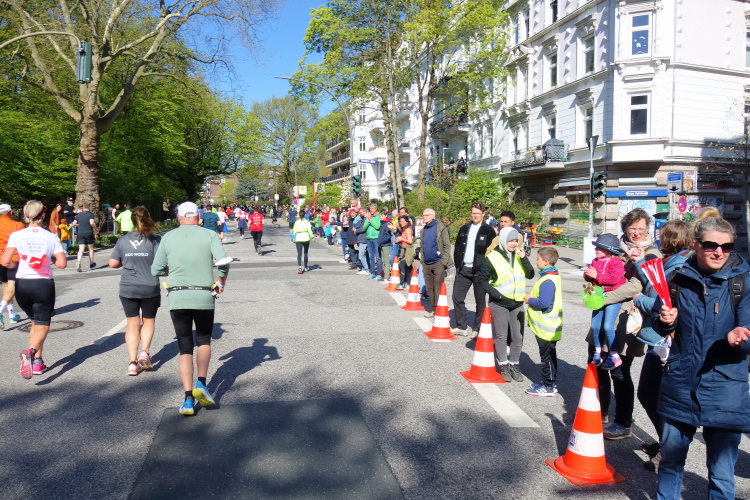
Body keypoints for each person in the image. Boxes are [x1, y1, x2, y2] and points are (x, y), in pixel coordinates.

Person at [653, 216, 750, 499]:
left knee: (721, 473)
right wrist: (665, 321)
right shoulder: (677, 277)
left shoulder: (743, 281)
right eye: (711, 245)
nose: (719, 252)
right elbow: (661, 323)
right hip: (680, 381)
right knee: (670, 463)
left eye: (726, 246)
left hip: (725, 386)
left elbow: (748, 332)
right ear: (696, 245)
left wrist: (740, 337)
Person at [151, 202, 230, 416]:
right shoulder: (209, 235)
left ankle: (187, 399)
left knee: (184, 347)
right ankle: (201, 383)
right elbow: (223, 262)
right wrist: (221, 282)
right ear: (198, 217)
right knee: (203, 339)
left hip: (178, 295)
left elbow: (156, 269)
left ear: (178, 217)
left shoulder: (168, 237)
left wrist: (175, 271)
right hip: (203, 294)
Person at [631, 220, 692, 471]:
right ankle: (665, 442)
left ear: (670, 239)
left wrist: (638, 299)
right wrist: (639, 262)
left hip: (665, 340)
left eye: (662, 234)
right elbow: (653, 284)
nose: (658, 237)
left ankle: (669, 449)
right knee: (652, 395)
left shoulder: (677, 267)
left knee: (652, 394)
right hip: (660, 338)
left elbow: (659, 304)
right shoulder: (671, 262)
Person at [594, 208, 656, 440]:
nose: (637, 233)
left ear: (648, 230)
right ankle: (599, 413)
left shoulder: (651, 253)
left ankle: (623, 423)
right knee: (598, 365)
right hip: (602, 315)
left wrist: (603, 297)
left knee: (620, 373)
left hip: (626, 319)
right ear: (625, 229)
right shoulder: (615, 249)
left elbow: (636, 286)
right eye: (632, 228)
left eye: (641, 229)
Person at [1, 201, 67, 378]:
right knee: (43, 325)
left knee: (34, 322)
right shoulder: (51, 237)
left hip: (23, 284)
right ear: (42, 216)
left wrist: (20, 263)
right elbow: (62, 264)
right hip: (43, 284)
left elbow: (5, 261)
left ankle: (38, 362)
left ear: (25, 215)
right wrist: (51, 259)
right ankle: (30, 352)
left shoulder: (16, 235)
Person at [108, 207, 162, 376]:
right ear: (148, 218)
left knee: (132, 323)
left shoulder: (123, 240)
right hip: (149, 286)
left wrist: (126, 261)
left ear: (131, 221)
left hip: (128, 287)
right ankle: (144, 353)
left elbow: (112, 263)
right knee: (148, 320)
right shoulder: (155, 240)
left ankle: (132, 363)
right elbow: (162, 264)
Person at [479, 227, 534, 382]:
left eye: (516, 240)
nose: (514, 244)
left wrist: (524, 258)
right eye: (510, 241)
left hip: (517, 303)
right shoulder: (493, 257)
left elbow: (530, 274)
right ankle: (504, 365)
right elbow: (482, 279)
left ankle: (514, 364)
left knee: (518, 336)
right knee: (502, 336)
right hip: (500, 303)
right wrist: (496, 294)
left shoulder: (519, 254)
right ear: (503, 240)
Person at [451, 202, 496, 337]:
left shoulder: (488, 231)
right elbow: (458, 248)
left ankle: (477, 328)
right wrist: (458, 265)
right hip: (464, 269)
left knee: (480, 301)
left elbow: (493, 252)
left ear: (483, 214)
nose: (475, 216)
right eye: (473, 213)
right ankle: (462, 326)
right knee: (457, 297)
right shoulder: (464, 228)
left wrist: (487, 270)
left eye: (478, 213)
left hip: (480, 271)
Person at [584, 234, 627, 370]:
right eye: (596, 247)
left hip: (612, 297)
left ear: (610, 250)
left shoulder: (616, 262)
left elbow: (615, 279)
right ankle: (598, 351)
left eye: (599, 248)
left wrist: (596, 276)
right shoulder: (595, 261)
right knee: (594, 326)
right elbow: (588, 275)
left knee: (608, 326)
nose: (596, 249)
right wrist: (587, 275)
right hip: (598, 296)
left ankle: (614, 354)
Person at [524, 247, 562, 396]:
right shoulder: (551, 275)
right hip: (548, 327)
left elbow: (544, 302)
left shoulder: (548, 280)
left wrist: (529, 300)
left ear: (546, 261)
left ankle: (548, 386)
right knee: (549, 356)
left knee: (547, 358)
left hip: (547, 327)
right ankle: (549, 382)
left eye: (538, 259)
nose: (536, 261)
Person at [420, 208, 451, 317]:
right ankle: (433, 310)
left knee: (438, 288)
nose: (424, 217)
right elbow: (422, 246)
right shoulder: (423, 230)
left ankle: (439, 310)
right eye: (423, 215)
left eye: (426, 215)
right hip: (426, 263)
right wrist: (422, 260)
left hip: (438, 262)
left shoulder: (440, 227)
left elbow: (447, 245)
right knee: (429, 288)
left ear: (432, 216)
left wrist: (443, 261)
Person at [0, 204, 25, 328]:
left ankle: (12, 314)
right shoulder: (17, 225)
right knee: (12, 287)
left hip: (0, 258)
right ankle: (1, 310)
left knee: (5, 287)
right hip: (13, 258)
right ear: (11, 213)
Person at [72, 203, 97, 272]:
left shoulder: (78, 215)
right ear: (89, 207)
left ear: (83, 208)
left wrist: (80, 225)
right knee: (90, 248)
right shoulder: (90, 214)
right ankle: (91, 263)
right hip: (88, 232)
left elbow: (74, 223)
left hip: (80, 233)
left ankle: (78, 261)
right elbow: (91, 223)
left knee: (81, 249)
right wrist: (96, 228)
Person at [394, 215, 414, 290]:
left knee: (402, 265)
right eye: (400, 221)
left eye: (402, 221)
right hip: (404, 248)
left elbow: (410, 241)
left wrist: (401, 239)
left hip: (408, 249)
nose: (401, 223)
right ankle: (407, 282)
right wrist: (398, 240)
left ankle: (402, 283)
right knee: (407, 266)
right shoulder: (404, 229)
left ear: (407, 222)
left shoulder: (408, 229)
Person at [363, 204, 382, 280]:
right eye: (370, 208)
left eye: (372, 208)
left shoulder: (378, 216)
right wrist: (368, 221)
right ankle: (372, 273)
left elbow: (377, 226)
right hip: (369, 238)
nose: (371, 210)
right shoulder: (368, 216)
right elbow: (364, 227)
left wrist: (370, 219)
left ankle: (379, 273)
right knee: (371, 257)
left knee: (378, 257)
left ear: (376, 209)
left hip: (376, 238)